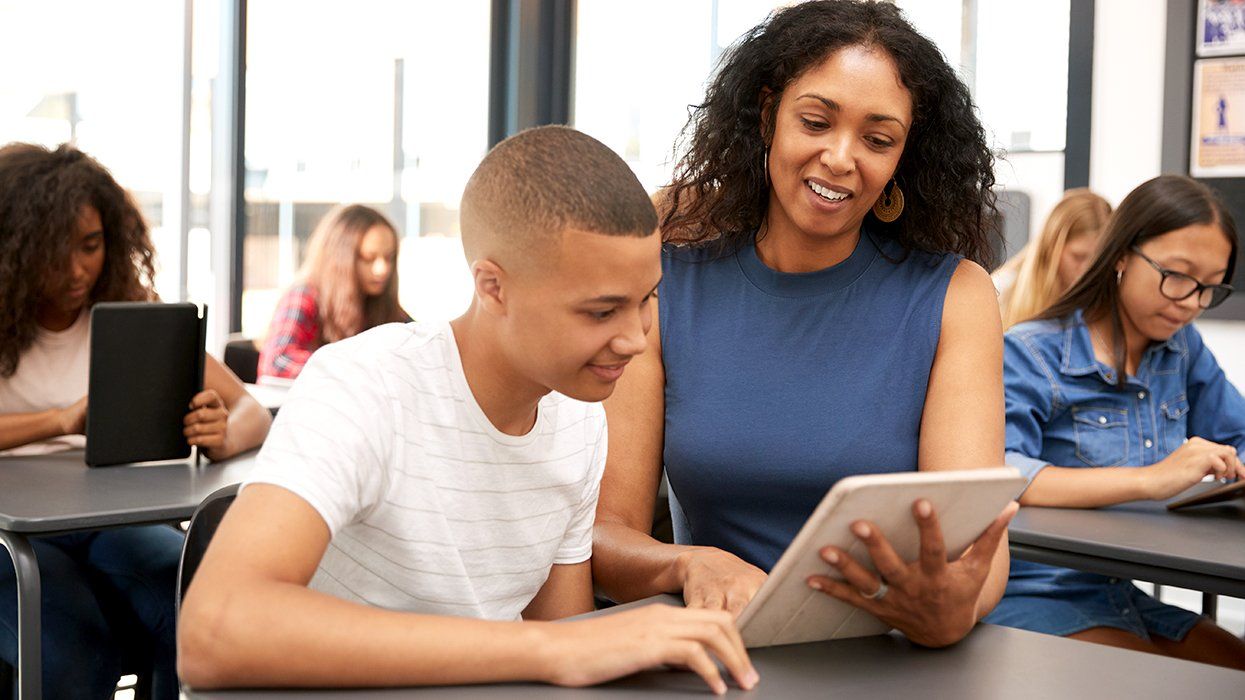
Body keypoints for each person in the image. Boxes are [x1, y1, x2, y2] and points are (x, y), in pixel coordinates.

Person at [177, 126, 758, 694]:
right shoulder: (364, 385)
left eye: (648, 298)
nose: (635, 338)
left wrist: (583, 649)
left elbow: (568, 646)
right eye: (602, 312)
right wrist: (558, 650)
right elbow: (213, 631)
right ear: (493, 286)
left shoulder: (579, 419)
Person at [592, 0, 1016, 649]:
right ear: (767, 116)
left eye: (878, 140)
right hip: (723, 655)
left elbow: (976, 560)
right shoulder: (669, 281)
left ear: (904, 156)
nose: (840, 157)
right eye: (814, 121)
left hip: (892, 662)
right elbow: (603, 537)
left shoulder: (954, 296)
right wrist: (688, 562)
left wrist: (954, 608)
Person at [0, 142, 271, 698]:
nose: (76, 270)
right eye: (55, 252)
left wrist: (222, 436)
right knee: (73, 647)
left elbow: (251, 410)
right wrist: (59, 421)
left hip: (107, 518)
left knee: (200, 602)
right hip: (10, 534)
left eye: (91, 246)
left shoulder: (130, 311)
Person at [986, 174, 1245, 670]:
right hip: (1031, 591)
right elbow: (1000, 472)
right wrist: (1150, 481)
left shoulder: (1182, 350)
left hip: (1120, 591)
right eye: (1178, 274)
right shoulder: (1032, 351)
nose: (1191, 301)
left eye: (1210, 287)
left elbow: (1239, 434)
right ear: (1121, 255)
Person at [258, 204, 411, 380]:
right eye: (368, 258)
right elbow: (277, 362)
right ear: (340, 258)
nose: (382, 269)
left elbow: (422, 351)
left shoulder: (381, 305)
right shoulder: (304, 296)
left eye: (389, 257)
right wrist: (355, 368)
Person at [993, 189, 1112, 327]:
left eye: (1098, 261)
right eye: (1078, 257)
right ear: (1052, 246)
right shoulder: (1001, 289)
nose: (1087, 270)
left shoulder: (1106, 303)